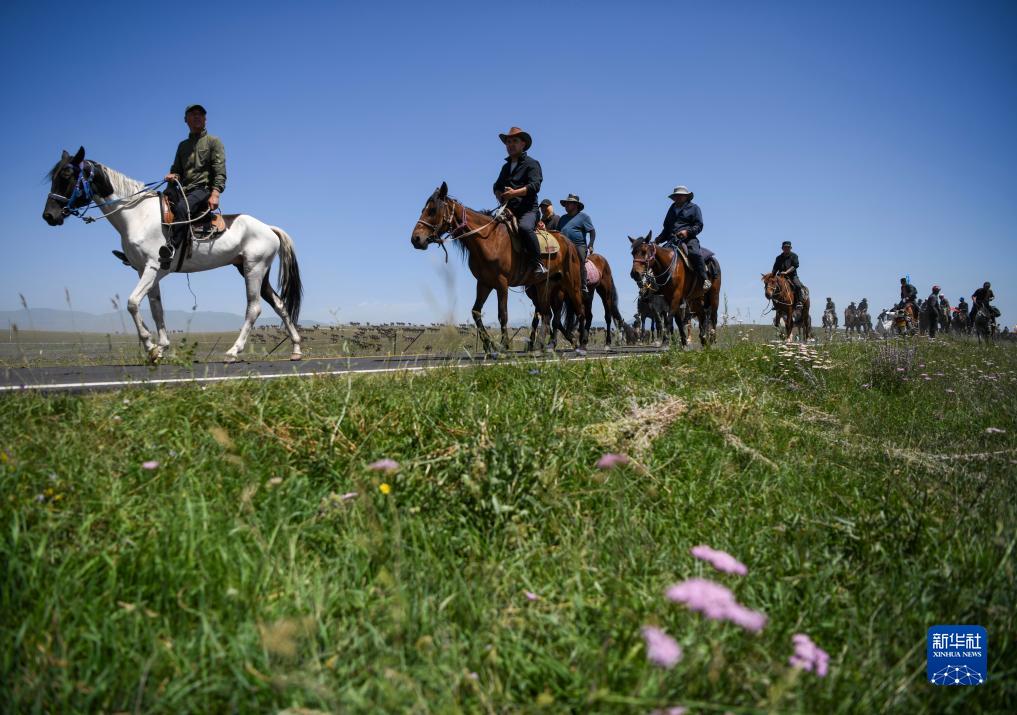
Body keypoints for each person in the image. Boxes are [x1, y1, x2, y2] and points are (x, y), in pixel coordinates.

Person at [161, 104, 226, 267]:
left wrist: (215, 193)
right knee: (161, 204)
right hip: (183, 190)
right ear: (186, 120)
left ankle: (171, 249)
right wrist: (173, 175)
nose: (197, 117)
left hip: (202, 190)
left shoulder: (213, 142)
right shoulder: (182, 146)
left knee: (182, 209)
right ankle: (140, 252)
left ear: (205, 119)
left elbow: (220, 170)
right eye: (193, 114)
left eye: (200, 114)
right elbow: (176, 171)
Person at [492, 126, 544, 274]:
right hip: (508, 210)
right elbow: (496, 186)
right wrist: (500, 195)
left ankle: (537, 263)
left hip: (528, 210)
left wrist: (514, 193)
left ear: (523, 144)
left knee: (524, 228)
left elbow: (535, 186)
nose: (510, 145)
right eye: (508, 142)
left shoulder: (532, 163)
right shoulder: (505, 167)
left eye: (514, 141)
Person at [654, 185, 710, 290]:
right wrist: (657, 240)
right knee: (657, 257)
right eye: (676, 196)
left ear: (686, 197)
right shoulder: (671, 209)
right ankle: (654, 287)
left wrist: (687, 232)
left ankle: (705, 279)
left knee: (695, 254)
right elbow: (666, 229)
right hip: (672, 240)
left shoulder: (694, 208)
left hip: (689, 239)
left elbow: (699, 225)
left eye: (681, 195)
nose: (678, 197)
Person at [557, 193, 596, 293]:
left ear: (575, 205)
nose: (566, 206)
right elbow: (557, 232)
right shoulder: (562, 218)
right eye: (565, 204)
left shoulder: (584, 217)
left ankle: (583, 285)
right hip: (563, 246)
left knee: (580, 260)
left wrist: (590, 245)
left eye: (568, 204)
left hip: (578, 245)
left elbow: (592, 231)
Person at [771, 241, 803, 307]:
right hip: (780, 277)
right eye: (785, 247)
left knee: (798, 286)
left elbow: (795, 266)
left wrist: (786, 272)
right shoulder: (778, 258)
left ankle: (799, 302)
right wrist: (771, 276)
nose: (786, 249)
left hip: (792, 276)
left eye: (788, 247)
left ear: (790, 248)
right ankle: (775, 304)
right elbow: (775, 268)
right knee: (773, 286)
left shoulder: (794, 256)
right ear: (782, 248)